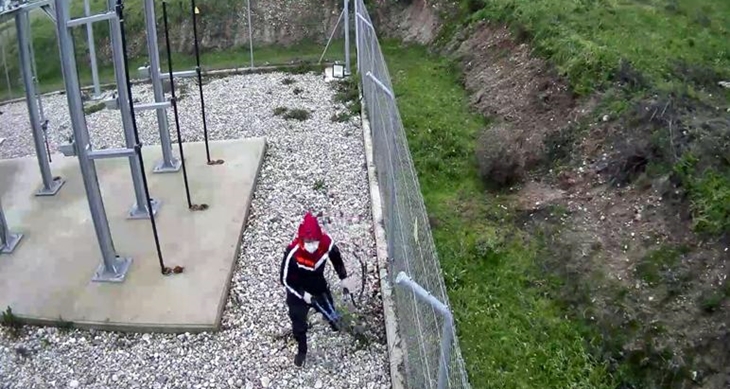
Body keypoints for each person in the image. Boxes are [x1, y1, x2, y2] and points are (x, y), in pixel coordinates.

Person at [279, 212, 358, 367]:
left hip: (317, 283)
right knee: (298, 322)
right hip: (298, 290)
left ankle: (334, 322)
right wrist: (303, 295)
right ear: (301, 239)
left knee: (329, 307)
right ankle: (302, 350)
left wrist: (344, 278)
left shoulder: (326, 243)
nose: (312, 244)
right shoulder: (292, 253)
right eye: (308, 241)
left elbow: (336, 258)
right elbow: (285, 280)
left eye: (314, 240)